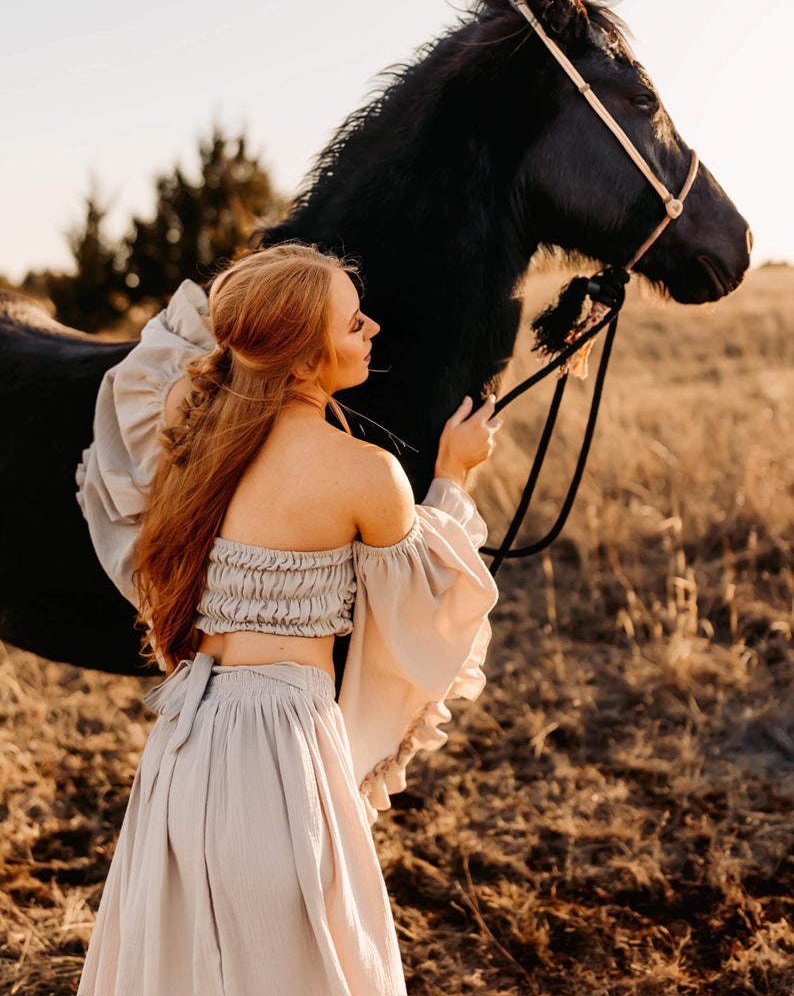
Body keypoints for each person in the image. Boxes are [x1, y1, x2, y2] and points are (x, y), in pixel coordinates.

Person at [76, 242, 501, 996]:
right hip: (283, 754)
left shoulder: (192, 429)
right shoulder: (369, 476)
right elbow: (427, 606)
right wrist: (454, 476)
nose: (371, 328)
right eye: (351, 321)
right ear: (303, 360)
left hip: (187, 743)